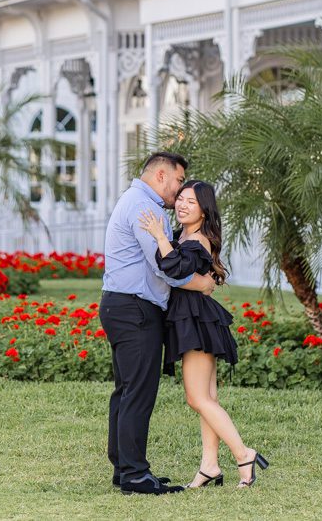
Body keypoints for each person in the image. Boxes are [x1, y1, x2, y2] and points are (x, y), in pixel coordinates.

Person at [99, 152, 217, 495]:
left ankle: (125, 468)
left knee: (126, 391)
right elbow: (163, 265)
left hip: (124, 306)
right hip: (135, 309)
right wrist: (203, 283)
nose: (179, 192)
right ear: (162, 175)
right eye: (179, 182)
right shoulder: (143, 206)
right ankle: (135, 475)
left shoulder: (137, 201)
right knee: (138, 392)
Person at [139, 179, 269, 489]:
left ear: (204, 211)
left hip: (195, 319)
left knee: (197, 398)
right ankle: (210, 466)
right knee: (207, 398)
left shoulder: (198, 240)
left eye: (191, 202)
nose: (182, 205)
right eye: (180, 199)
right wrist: (165, 237)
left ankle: (244, 455)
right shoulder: (183, 235)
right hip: (194, 317)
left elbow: (173, 269)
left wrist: (159, 236)